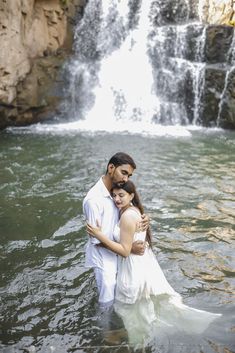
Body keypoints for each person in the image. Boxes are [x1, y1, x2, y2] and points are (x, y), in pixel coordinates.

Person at [86, 180, 222, 347]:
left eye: (121, 195)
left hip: (132, 270)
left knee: (129, 308)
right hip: (138, 266)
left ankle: (133, 339)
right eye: (114, 195)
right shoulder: (133, 211)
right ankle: (138, 336)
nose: (117, 199)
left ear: (131, 196)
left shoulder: (128, 216)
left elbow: (124, 251)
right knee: (139, 308)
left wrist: (99, 235)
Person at [83, 152, 148, 308]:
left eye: (129, 175)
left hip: (121, 260)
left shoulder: (117, 194)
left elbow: (129, 212)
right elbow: (96, 240)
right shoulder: (93, 201)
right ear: (111, 167)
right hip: (105, 263)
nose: (125, 179)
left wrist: (143, 218)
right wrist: (129, 248)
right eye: (123, 173)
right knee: (107, 307)